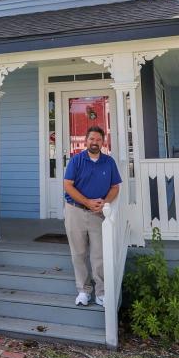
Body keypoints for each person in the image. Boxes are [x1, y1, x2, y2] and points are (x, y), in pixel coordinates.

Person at [62, 125, 122, 307]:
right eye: (91, 139)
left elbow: (115, 187)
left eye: (98, 139)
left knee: (99, 255)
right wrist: (87, 202)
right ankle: (83, 291)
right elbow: (68, 185)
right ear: (86, 141)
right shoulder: (76, 160)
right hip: (75, 211)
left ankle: (101, 292)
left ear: (103, 142)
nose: (94, 142)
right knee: (78, 253)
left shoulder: (109, 162)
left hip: (99, 213)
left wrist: (104, 203)